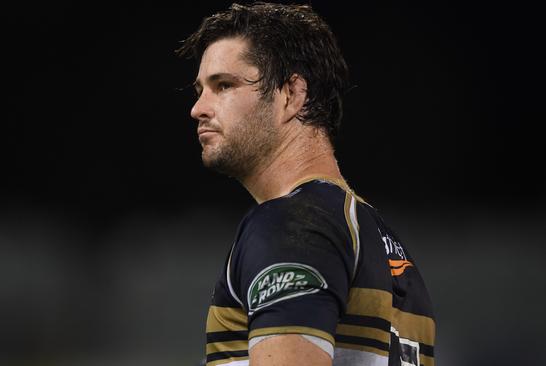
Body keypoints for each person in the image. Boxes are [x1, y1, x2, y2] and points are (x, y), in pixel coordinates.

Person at [176, 3, 435, 366]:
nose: (198, 108)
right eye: (200, 89)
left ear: (292, 94)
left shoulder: (290, 225)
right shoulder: (379, 239)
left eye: (224, 85)